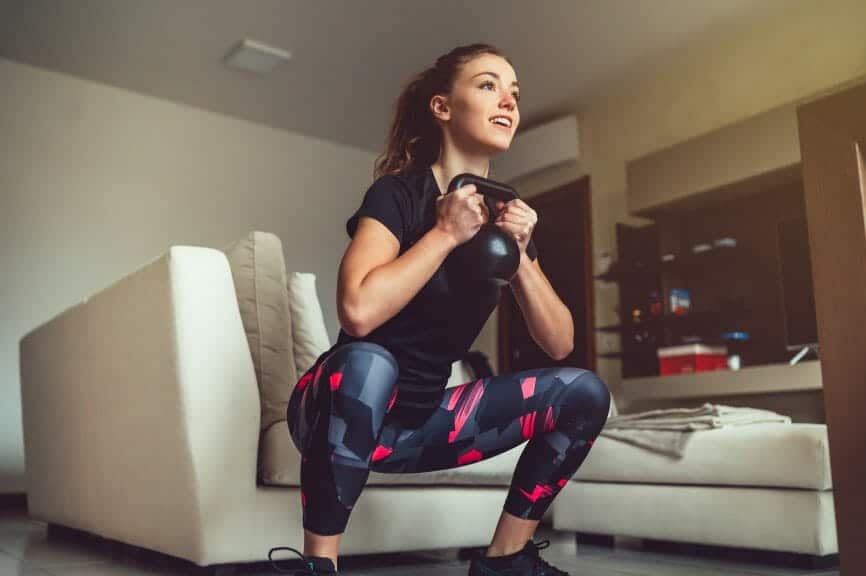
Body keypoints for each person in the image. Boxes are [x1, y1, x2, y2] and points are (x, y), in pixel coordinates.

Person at [270, 43, 610, 576]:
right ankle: (317, 567)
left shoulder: (504, 220)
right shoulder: (397, 195)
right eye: (488, 84)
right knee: (370, 360)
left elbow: (561, 342)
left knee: (585, 392)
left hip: (419, 422)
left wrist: (520, 255)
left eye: (514, 92)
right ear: (442, 107)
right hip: (334, 410)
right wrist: (445, 233)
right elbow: (357, 311)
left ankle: (506, 560)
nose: (508, 101)